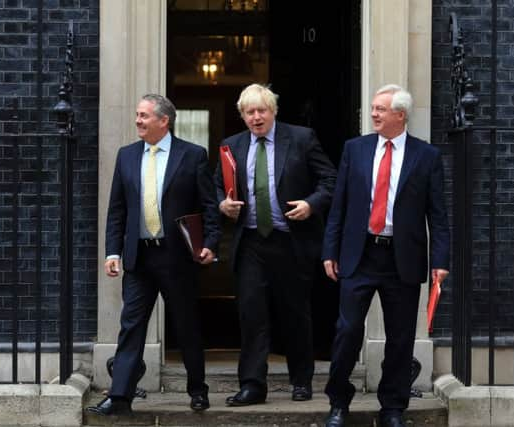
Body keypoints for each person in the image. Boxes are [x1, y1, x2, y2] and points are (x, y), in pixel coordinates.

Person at [321, 85, 450, 427]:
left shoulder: (427, 156)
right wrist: (329, 251)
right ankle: (338, 401)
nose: (374, 114)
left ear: (400, 115)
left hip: (401, 258)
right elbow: (340, 205)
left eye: (381, 109)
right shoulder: (356, 149)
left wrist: (440, 261)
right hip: (358, 254)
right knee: (347, 331)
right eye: (373, 108)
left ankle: (393, 407)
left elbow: (438, 215)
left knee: (400, 336)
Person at [87, 94, 220, 416]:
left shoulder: (192, 155)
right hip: (139, 258)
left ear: (164, 121)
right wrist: (112, 252)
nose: (138, 121)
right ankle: (120, 396)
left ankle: (198, 391)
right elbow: (117, 209)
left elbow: (208, 207)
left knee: (186, 325)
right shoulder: (127, 156)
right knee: (131, 326)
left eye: (144, 116)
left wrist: (210, 243)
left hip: (177, 257)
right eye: (137, 114)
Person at [216, 83, 337, 406]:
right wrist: (222, 205)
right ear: (242, 116)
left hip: (291, 240)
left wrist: (311, 204)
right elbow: (217, 187)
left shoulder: (300, 138)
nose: (256, 117)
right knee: (252, 314)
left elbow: (330, 180)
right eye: (249, 112)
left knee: (295, 313)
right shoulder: (232, 146)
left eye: (262, 111)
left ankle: (301, 380)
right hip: (251, 241)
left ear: (274, 112)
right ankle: (253, 385)